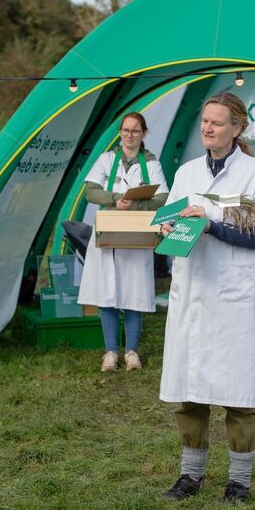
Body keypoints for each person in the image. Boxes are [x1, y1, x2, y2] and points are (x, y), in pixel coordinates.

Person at [159, 92, 255, 504]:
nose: (207, 128)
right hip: (193, 292)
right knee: (189, 387)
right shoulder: (188, 172)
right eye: (205, 121)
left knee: (238, 392)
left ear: (237, 128)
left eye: (217, 122)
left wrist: (210, 224)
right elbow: (176, 223)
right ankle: (190, 475)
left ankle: (239, 481)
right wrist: (167, 229)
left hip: (235, 296)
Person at [77, 112, 169, 372]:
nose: (130, 135)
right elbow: (90, 191)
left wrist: (137, 202)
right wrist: (115, 198)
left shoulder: (151, 164)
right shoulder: (107, 159)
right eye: (126, 130)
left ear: (144, 134)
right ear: (120, 132)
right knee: (106, 293)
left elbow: (163, 196)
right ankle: (109, 352)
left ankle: (131, 352)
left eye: (136, 131)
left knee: (135, 292)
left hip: (137, 232)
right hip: (108, 232)